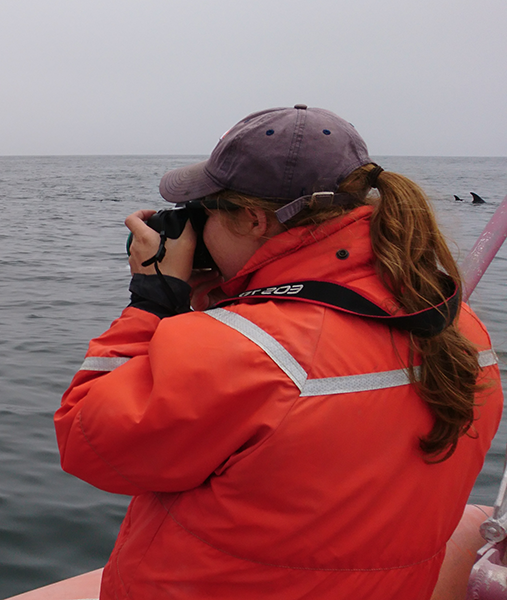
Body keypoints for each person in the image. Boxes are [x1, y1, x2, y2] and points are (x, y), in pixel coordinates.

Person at [53, 105, 504, 599]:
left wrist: (154, 301)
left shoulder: (244, 347)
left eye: (204, 211)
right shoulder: (460, 327)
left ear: (251, 220)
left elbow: (88, 442)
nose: (195, 228)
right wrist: (224, 297)